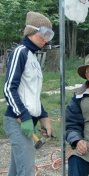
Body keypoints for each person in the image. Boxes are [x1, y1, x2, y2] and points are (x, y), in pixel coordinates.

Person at [3, 11, 54, 176]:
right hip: (17, 120)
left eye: (49, 35)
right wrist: (24, 116)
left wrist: (43, 117)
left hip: (28, 121)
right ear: (32, 31)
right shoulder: (21, 52)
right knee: (26, 172)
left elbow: (33, 94)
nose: (46, 39)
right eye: (44, 34)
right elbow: (9, 88)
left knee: (17, 171)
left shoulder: (33, 58)